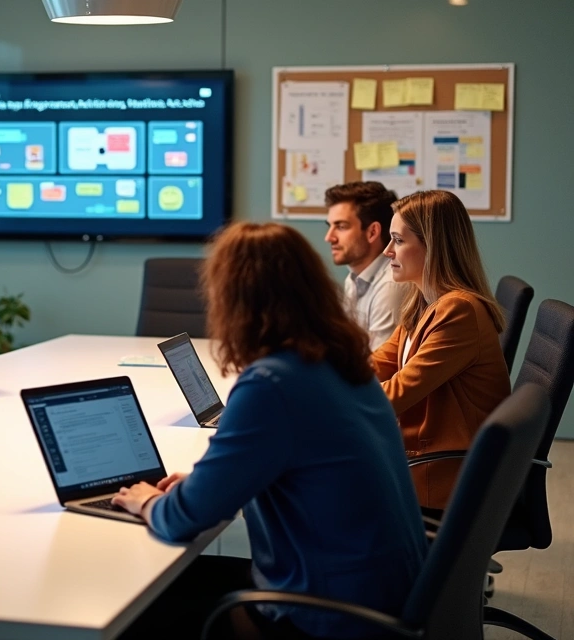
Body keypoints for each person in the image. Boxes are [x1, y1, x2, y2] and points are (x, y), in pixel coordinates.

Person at [113, 222, 427, 639]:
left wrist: (145, 500)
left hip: (331, 616)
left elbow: (183, 519)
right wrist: (209, 483)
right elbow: (305, 467)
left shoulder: (271, 385)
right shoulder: (342, 362)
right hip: (389, 594)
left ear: (232, 301)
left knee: (139, 608)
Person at [373, 190, 510, 513]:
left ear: (432, 246)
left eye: (398, 241)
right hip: (422, 456)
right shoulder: (423, 301)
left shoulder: (458, 311)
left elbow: (397, 393)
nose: (387, 252)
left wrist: (320, 401)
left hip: (443, 475)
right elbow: (379, 362)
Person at [324, 181, 411, 349]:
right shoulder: (354, 278)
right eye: (330, 226)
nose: (329, 237)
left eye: (341, 227)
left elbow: (379, 369)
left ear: (372, 232)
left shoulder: (391, 285)